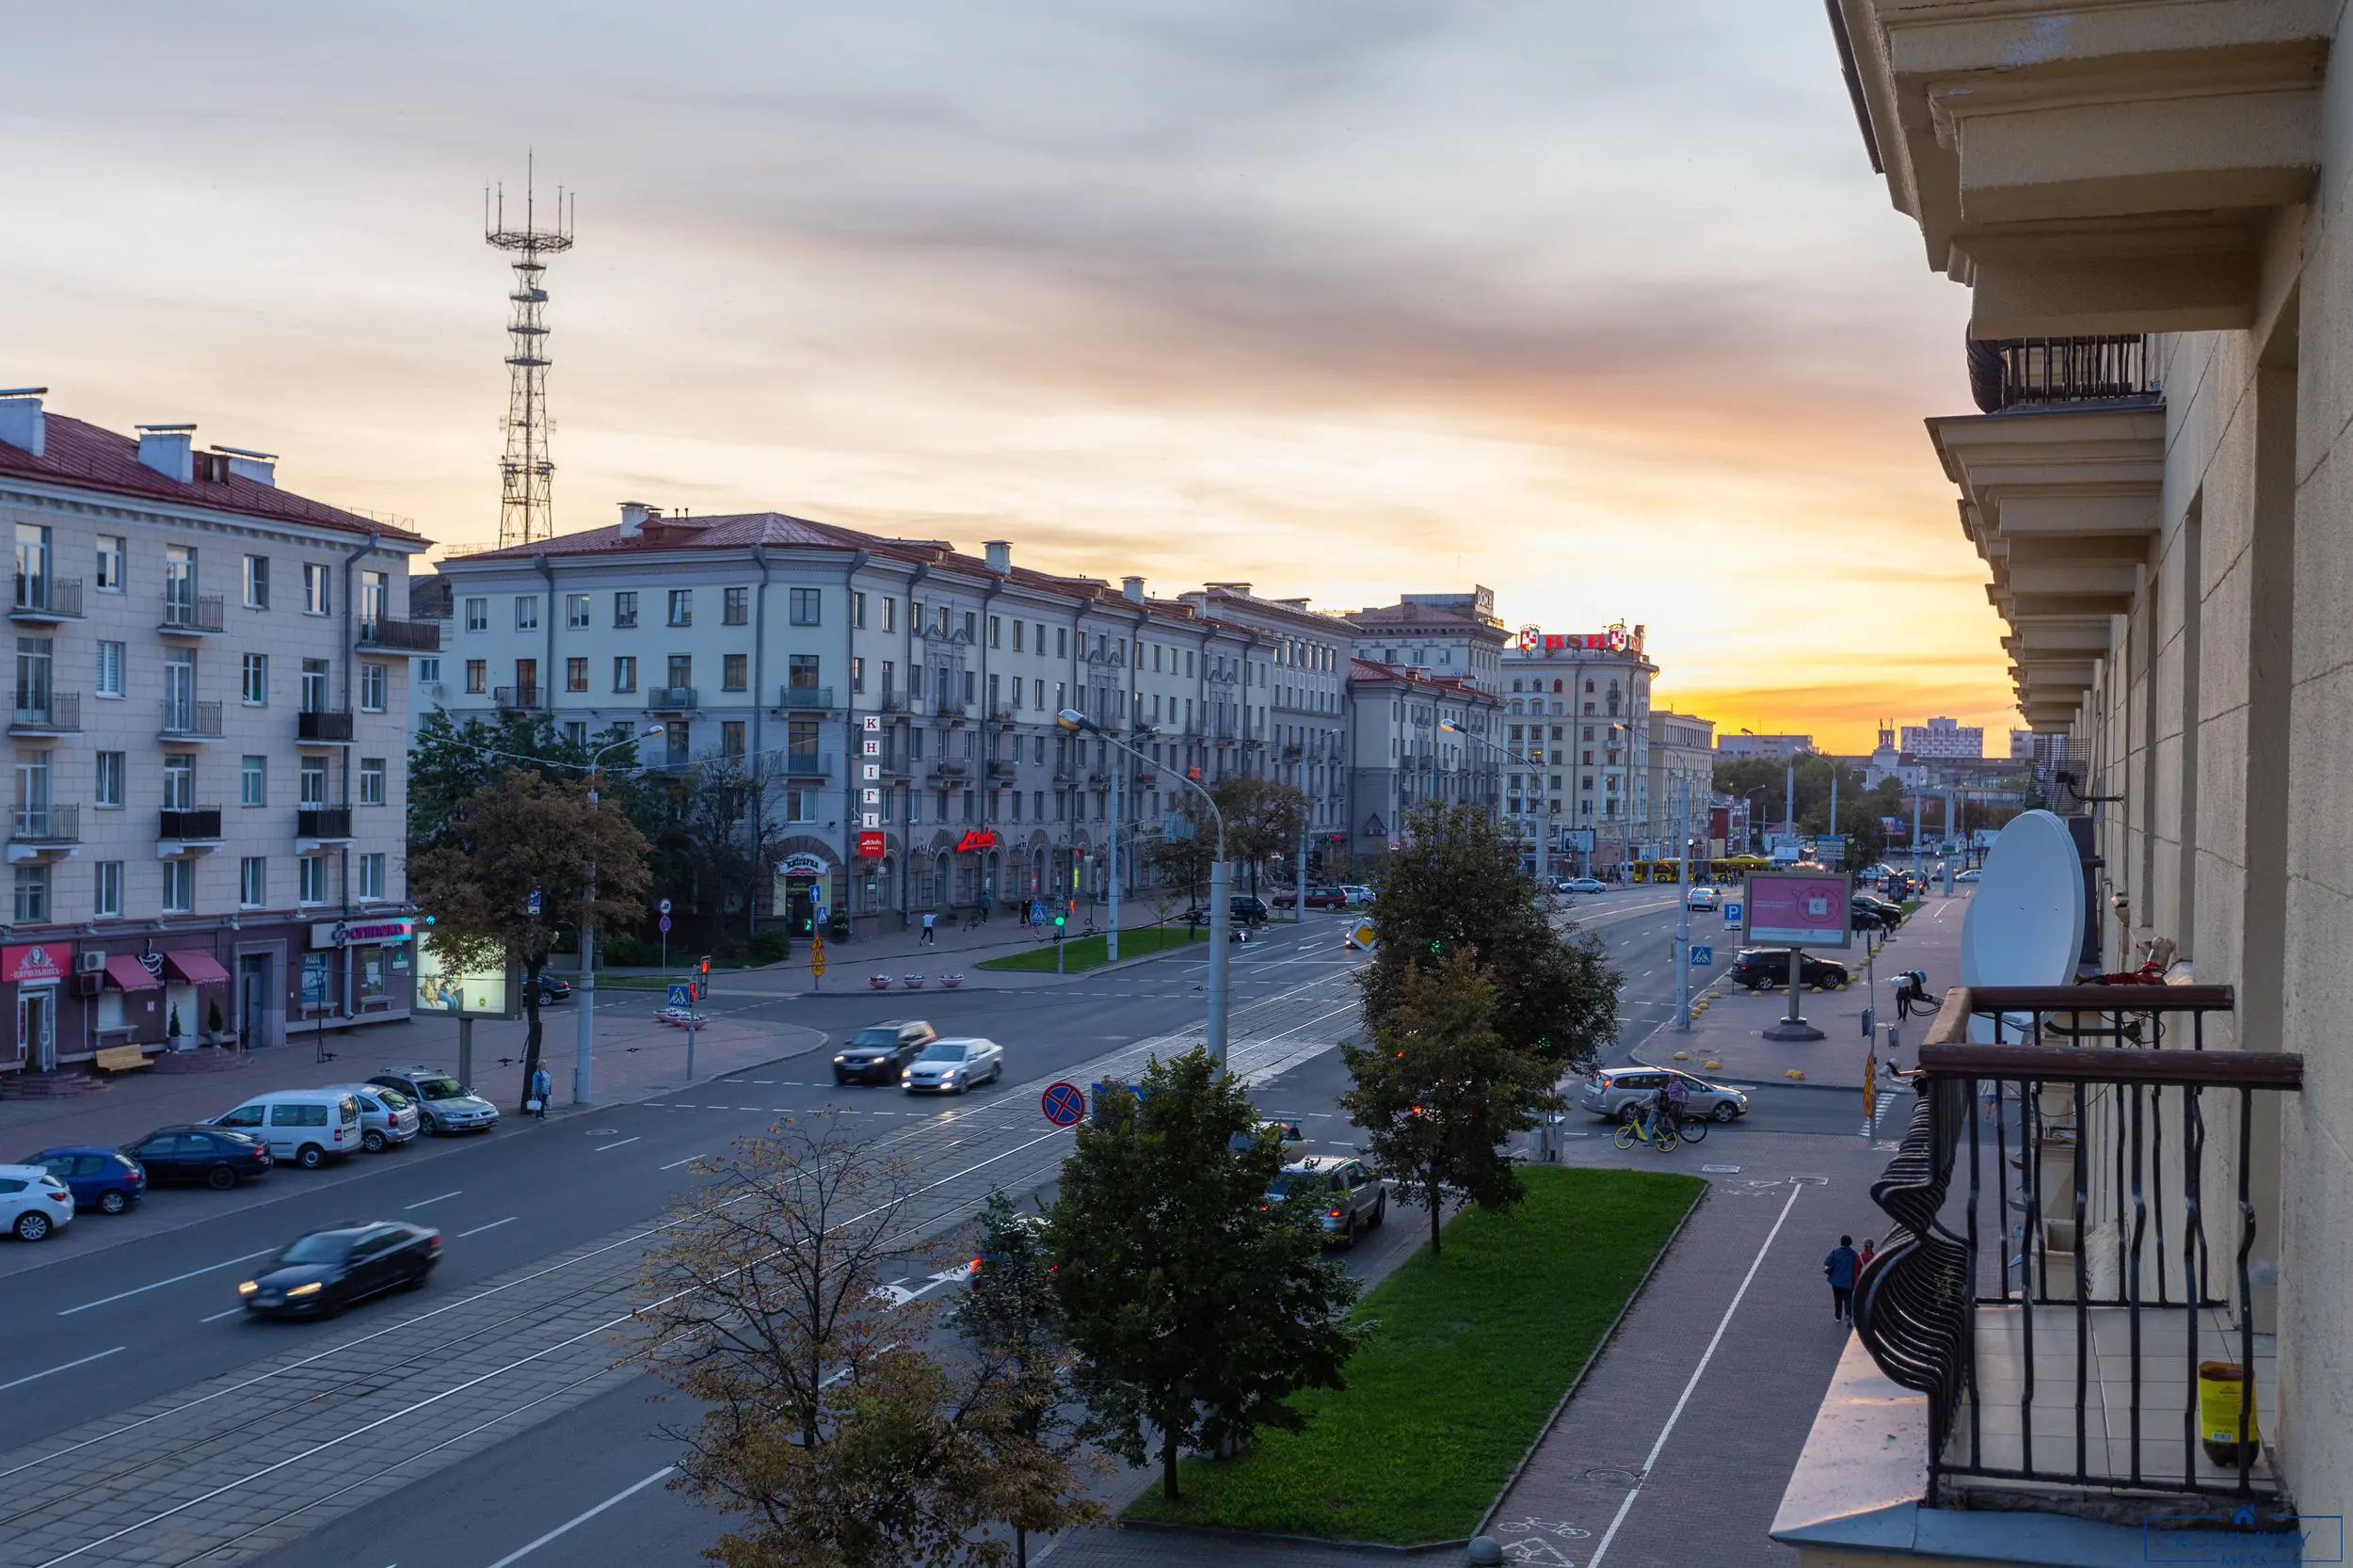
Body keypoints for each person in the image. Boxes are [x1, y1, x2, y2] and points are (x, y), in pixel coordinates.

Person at [1825, 1235, 1861, 1321]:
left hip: (1836, 1280)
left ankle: (1838, 1317)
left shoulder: (1835, 1252)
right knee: (1848, 1298)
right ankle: (1848, 1315)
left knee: (1838, 1298)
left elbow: (1827, 1262)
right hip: (1849, 1281)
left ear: (1841, 1242)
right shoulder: (1854, 1255)